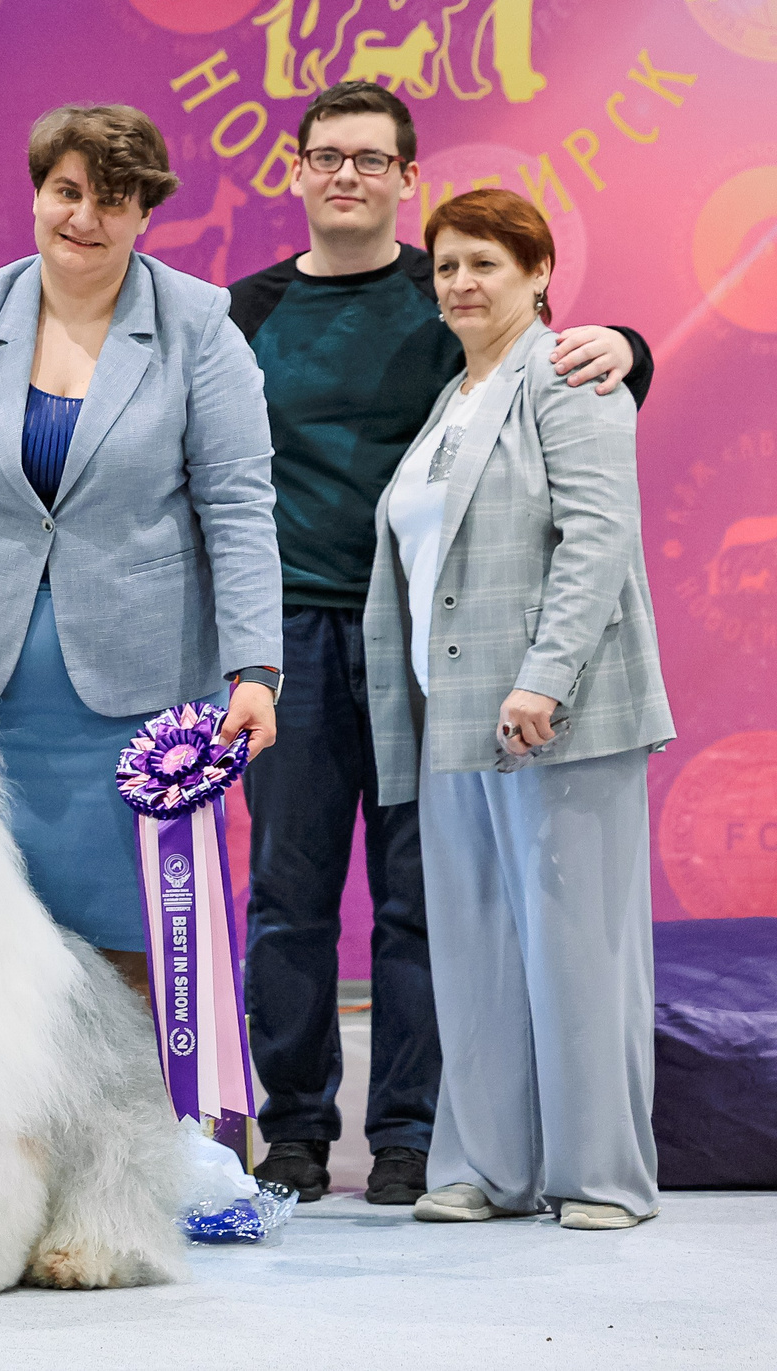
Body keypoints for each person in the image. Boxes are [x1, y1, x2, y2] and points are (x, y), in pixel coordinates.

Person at [227, 79, 655, 1207]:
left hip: (438, 646)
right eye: (328, 155)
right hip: (300, 638)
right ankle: (297, 1132)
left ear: (406, 180)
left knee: (428, 895)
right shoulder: (246, 310)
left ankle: (415, 1133)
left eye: (373, 159)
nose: (348, 176)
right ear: (296, 169)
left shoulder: (457, 288)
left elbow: (564, 370)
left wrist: (630, 346)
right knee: (286, 894)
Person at [0, 105, 281, 987]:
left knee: (148, 967)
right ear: (38, 195)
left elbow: (240, 504)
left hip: (149, 717)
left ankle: (166, 1126)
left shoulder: (200, 325)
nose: (84, 218)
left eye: (113, 200)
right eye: (67, 192)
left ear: (145, 213)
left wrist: (256, 669)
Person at [363, 188, 673, 1233]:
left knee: (575, 943)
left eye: (484, 264)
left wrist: (543, 676)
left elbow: (596, 540)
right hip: (452, 716)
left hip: (558, 715)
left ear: (538, 274)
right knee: (475, 947)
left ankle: (601, 1177)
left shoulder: (572, 374)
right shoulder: (451, 398)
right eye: (446, 265)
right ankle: (484, 1167)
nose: (459, 284)